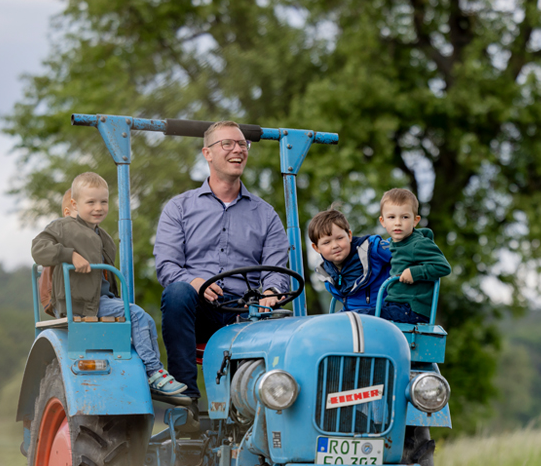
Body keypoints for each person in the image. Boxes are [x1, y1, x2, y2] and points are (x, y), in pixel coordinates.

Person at [154, 120, 290, 400]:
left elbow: (278, 271)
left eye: (242, 144)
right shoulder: (179, 208)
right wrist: (195, 282)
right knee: (177, 291)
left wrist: (271, 292)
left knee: (287, 321)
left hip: (247, 313)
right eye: (227, 144)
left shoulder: (266, 215)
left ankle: (271, 401)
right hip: (199, 311)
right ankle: (185, 400)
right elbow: (167, 266)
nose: (237, 150)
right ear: (207, 153)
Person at [32, 171, 189, 404]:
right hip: (79, 303)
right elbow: (38, 249)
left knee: (143, 318)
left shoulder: (103, 236)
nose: (98, 207)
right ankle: (153, 371)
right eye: (91, 202)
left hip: (101, 300)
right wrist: (69, 255)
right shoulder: (63, 227)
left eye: (103, 202)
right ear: (74, 204)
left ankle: (155, 373)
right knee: (135, 314)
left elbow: (108, 279)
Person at [375, 188, 451, 324]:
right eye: (392, 217)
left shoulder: (418, 244)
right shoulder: (393, 243)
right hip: (395, 305)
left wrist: (414, 272)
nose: (398, 222)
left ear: (415, 221)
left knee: (360, 317)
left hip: (411, 309)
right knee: (356, 314)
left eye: (405, 217)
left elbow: (443, 267)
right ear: (383, 221)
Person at [309, 208, 392, 315]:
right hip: (355, 315)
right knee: (326, 323)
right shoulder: (326, 274)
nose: (335, 246)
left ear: (349, 236)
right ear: (316, 248)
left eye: (339, 238)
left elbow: (401, 248)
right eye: (326, 242)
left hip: (384, 310)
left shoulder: (371, 250)